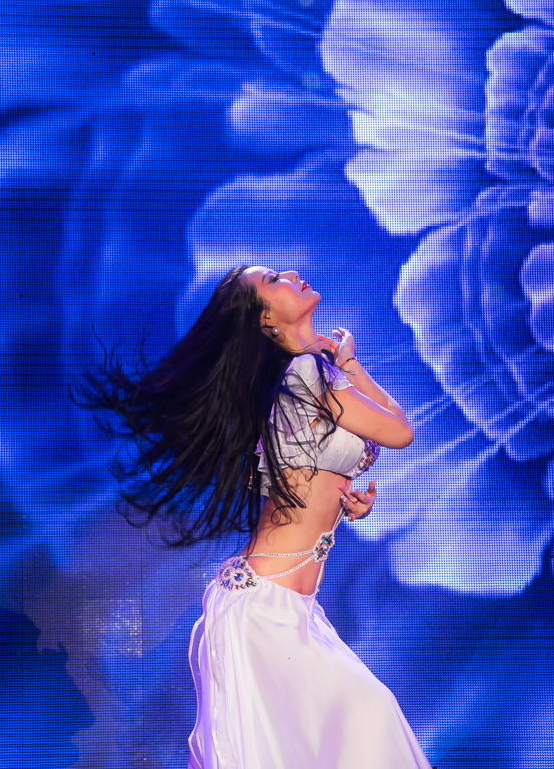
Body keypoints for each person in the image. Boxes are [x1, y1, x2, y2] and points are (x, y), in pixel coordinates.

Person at [72, 264, 433, 768]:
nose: (293, 274)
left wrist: (342, 502)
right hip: (262, 613)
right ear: (266, 319)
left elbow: (318, 465)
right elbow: (400, 432)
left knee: (355, 733)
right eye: (274, 280)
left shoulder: (303, 378)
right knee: (369, 717)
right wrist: (351, 364)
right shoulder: (305, 375)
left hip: (291, 611)